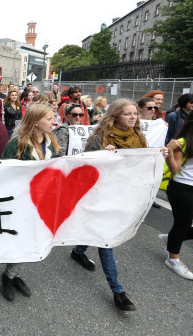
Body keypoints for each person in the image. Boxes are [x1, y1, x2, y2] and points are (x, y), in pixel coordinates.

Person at [70, 99, 169, 312]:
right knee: (106, 240)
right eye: (127, 114)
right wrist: (103, 156)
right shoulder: (100, 137)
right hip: (101, 196)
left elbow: (141, 164)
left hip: (123, 196)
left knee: (99, 233)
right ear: (115, 116)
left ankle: (78, 251)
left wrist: (159, 156)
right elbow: (85, 165)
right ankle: (118, 292)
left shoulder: (138, 137)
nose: (133, 117)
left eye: (135, 113)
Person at [0, 104, 60, 303]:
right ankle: (8, 277)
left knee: (32, 238)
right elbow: (3, 173)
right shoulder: (17, 143)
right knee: (18, 239)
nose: (54, 122)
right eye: (50, 118)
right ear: (36, 122)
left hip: (43, 202)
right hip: (20, 202)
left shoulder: (51, 141)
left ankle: (14, 274)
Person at [162, 111, 193, 280]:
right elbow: (174, 168)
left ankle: (172, 238)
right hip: (183, 188)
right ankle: (172, 259)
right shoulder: (183, 142)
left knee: (181, 229)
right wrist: (169, 152)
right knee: (183, 224)